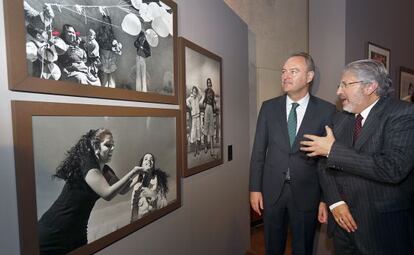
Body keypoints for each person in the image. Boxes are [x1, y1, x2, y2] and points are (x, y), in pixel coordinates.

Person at [300, 59, 414, 255]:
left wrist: (332, 150)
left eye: (345, 84)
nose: (338, 91)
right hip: (341, 224)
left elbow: (392, 168)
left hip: (381, 228)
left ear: (370, 86)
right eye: (339, 85)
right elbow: (323, 164)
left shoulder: (403, 113)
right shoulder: (341, 118)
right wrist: (334, 201)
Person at [250, 52, 336, 255]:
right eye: (283, 71)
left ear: (309, 77)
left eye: (293, 71)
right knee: (272, 247)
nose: (285, 76)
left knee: (303, 248)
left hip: (307, 193)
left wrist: (324, 199)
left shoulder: (327, 110)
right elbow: (258, 151)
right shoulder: (269, 107)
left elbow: (327, 160)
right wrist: (254, 188)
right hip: (272, 191)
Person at [38, 128, 142, 255]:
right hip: (54, 230)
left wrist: (141, 176)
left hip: (78, 232)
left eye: (113, 145)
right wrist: (133, 172)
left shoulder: (106, 171)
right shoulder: (88, 165)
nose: (112, 148)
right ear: (95, 146)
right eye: (108, 145)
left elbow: (123, 190)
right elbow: (107, 193)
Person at [130, 153, 168, 222]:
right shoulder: (136, 187)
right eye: (146, 159)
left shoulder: (159, 181)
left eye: (151, 159)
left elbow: (165, 204)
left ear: (153, 165)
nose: (149, 161)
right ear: (141, 165)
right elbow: (134, 212)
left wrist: (154, 196)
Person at [186, 86, 204, 157]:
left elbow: (202, 95)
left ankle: (197, 150)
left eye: (195, 91)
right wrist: (189, 106)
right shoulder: (190, 98)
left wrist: (197, 88)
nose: (194, 93)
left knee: (198, 131)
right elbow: (186, 101)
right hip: (193, 117)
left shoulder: (197, 98)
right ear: (192, 91)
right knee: (194, 132)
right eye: (193, 91)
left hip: (198, 117)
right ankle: (195, 150)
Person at [202, 78, 217, 157]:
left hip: (211, 108)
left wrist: (214, 104)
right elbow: (204, 99)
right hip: (207, 108)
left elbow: (213, 100)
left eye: (209, 83)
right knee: (205, 127)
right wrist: (204, 103)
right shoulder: (205, 91)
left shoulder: (213, 92)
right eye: (207, 83)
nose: (209, 84)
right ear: (207, 84)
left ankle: (211, 148)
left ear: (211, 83)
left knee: (211, 127)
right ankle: (205, 147)